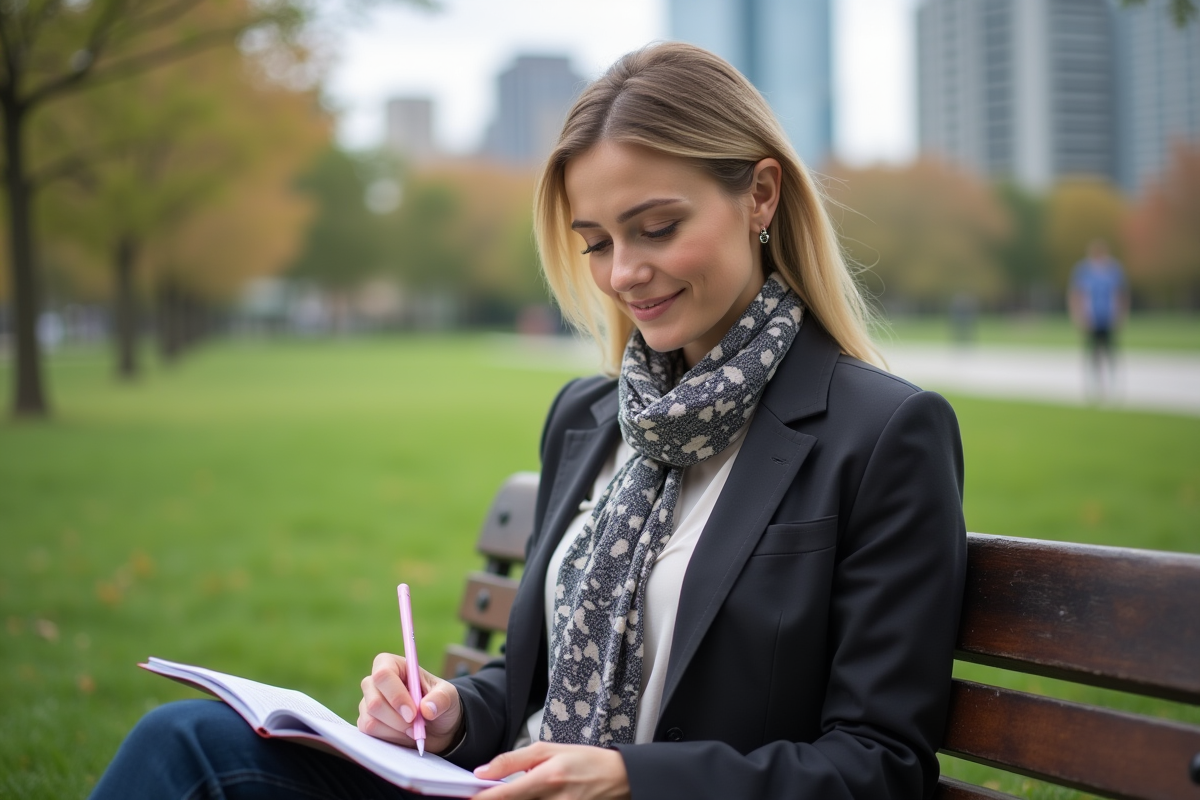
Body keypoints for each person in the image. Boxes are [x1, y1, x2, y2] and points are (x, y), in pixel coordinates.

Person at [89, 43, 966, 800]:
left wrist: (630, 779)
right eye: (597, 242)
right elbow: (533, 683)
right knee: (184, 742)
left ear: (761, 195)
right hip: (497, 784)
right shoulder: (590, 417)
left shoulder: (882, 435)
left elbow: (879, 766)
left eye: (657, 227)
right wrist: (451, 712)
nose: (623, 274)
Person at [1068, 239, 1129, 400]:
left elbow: (1120, 293)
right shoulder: (1083, 270)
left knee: (1110, 351)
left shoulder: (1113, 270)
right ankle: (1095, 385)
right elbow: (1076, 294)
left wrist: (1121, 315)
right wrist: (1078, 315)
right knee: (1093, 352)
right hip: (1091, 317)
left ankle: (1113, 383)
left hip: (1108, 316)